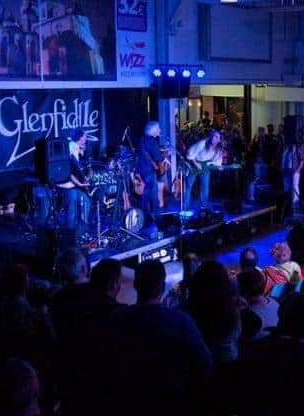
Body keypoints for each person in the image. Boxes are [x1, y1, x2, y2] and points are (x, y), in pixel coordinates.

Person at [102, 260, 213, 415]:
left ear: (136, 286)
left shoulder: (115, 320)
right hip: (172, 402)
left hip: (128, 404)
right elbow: (205, 363)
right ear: (162, 287)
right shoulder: (180, 320)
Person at [56, 128, 90, 235]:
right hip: (67, 185)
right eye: (84, 136)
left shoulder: (74, 146)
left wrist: (82, 149)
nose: (86, 138)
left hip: (72, 184)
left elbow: (77, 166)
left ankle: (79, 233)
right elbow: (68, 171)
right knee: (71, 212)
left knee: (86, 202)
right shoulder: (71, 147)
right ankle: (70, 237)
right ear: (79, 137)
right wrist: (79, 183)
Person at [135, 121, 167, 222]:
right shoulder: (151, 140)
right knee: (151, 194)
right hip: (148, 170)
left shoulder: (141, 139)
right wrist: (165, 157)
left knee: (150, 193)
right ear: (153, 130)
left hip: (142, 169)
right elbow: (157, 157)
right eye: (158, 129)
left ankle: (147, 217)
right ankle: (154, 219)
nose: (160, 130)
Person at [184, 128, 224, 209]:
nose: (217, 139)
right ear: (211, 137)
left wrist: (219, 166)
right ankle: (186, 206)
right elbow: (190, 153)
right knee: (188, 186)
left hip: (205, 165)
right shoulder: (202, 143)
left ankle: (204, 206)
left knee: (205, 186)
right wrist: (196, 163)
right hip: (194, 163)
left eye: (218, 138)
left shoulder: (218, 148)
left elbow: (218, 160)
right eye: (215, 137)